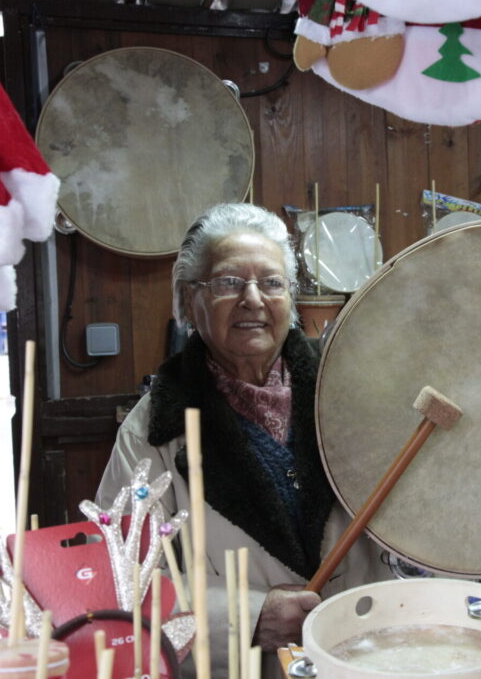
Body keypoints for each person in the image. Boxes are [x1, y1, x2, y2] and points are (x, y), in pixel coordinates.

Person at [96, 203, 391, 678]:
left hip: (362, 656)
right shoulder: (153, 431)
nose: (253, 298)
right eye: (229, 282)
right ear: (190, 300)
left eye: (272, 283)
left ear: (290, 299)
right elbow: (121, 581)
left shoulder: (348, 392)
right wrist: (247, 618)